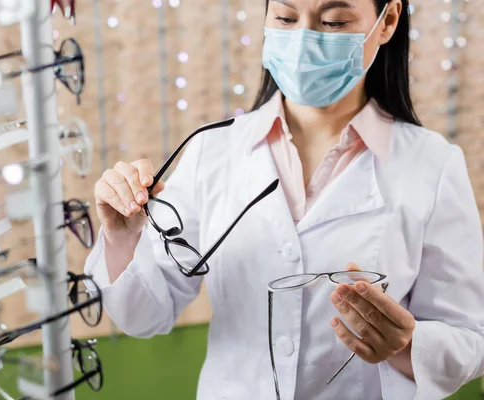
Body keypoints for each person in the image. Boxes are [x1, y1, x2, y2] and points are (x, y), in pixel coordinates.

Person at [85, 0, 484, 399]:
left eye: (333, 21)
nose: (303, 41)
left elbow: (471, 337)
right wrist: (122, 238)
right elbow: (143, 315)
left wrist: (406, 346)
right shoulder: (214, 150)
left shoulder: (433, 164)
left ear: (388, 21)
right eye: (285, 18)